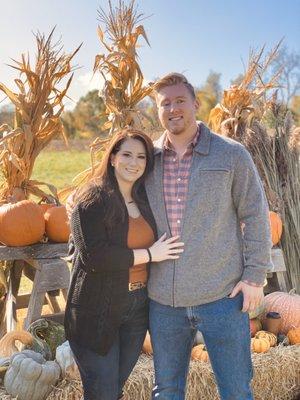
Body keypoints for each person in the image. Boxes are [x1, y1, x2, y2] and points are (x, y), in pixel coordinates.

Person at [145, 73, 273, 400]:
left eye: (179, 100)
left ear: (196, 104)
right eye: (165, 103)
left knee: (235, 391)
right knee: (167, 392)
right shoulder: (147, 159)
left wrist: (255, 277)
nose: (173, 109)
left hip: (222, 299)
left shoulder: (231, 155)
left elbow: (256, 215)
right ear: (158, 110)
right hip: (164, 303)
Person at [64, 128, 184, 400]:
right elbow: (95, 257)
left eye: (141, 157)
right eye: (127, 154)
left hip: (137, 307)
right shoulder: (92, 200)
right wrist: (151, 254)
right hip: (96, 311)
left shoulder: (145, 200)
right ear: (113, 158)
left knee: (114, 389)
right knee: (102, 393)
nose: (134, 162)